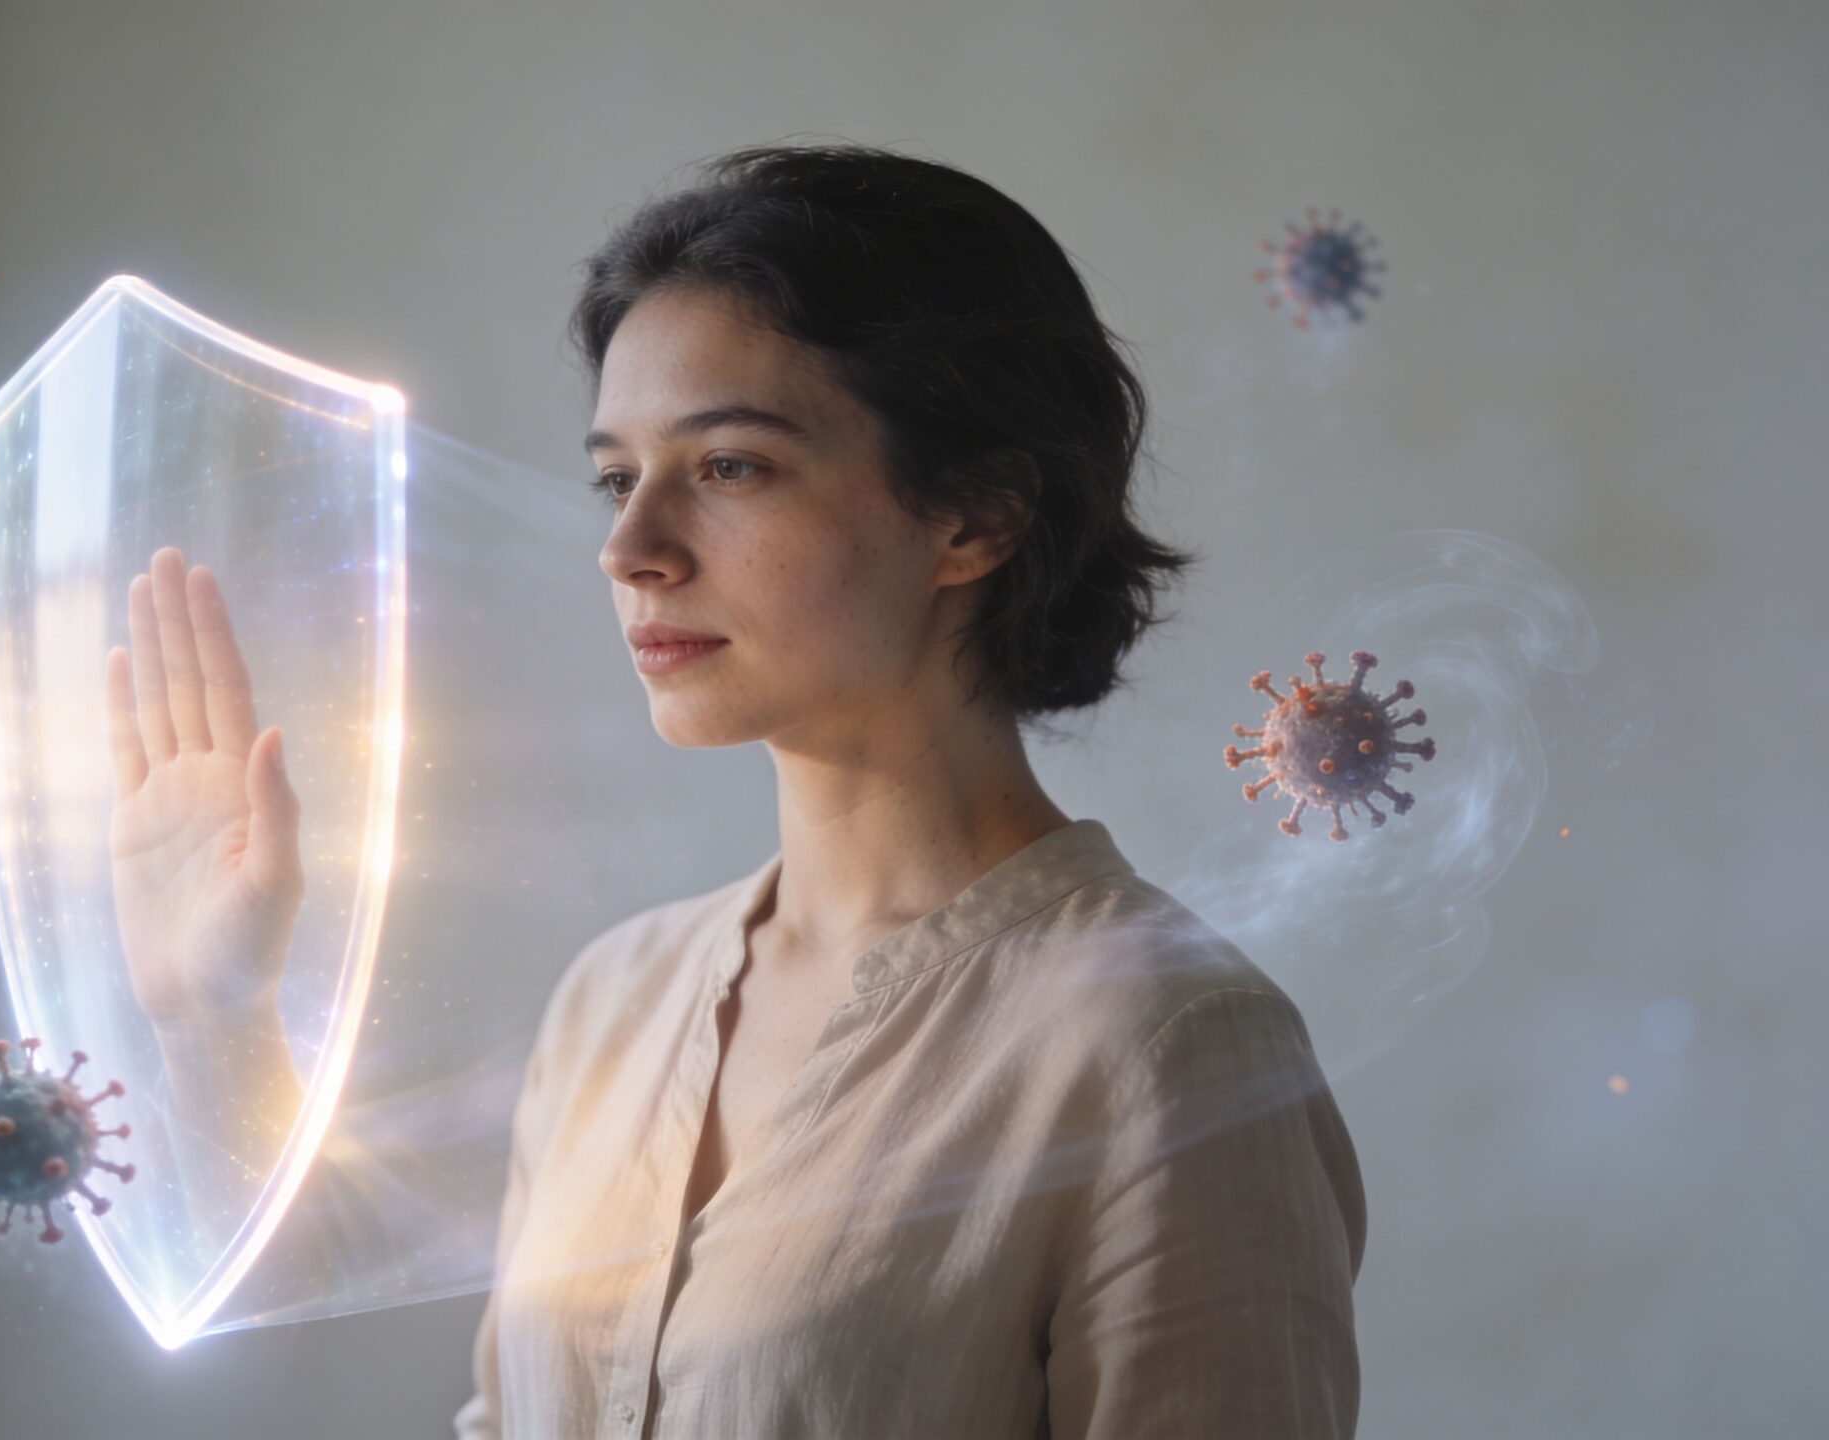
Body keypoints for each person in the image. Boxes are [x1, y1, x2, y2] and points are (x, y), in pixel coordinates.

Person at [104, 142, 1366, 1438]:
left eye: (729, 467)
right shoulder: (613, 1000)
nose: (629, 548)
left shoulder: (1166, 1045)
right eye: (617, 477)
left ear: (976, 518)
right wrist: (212, 1018)